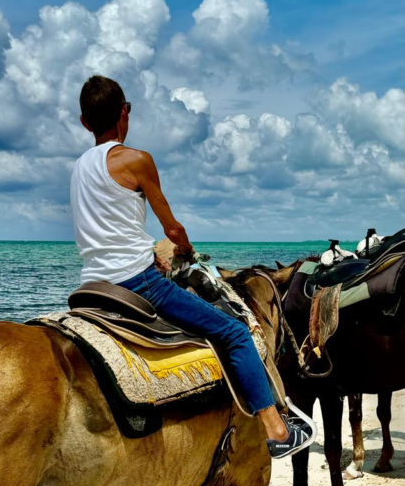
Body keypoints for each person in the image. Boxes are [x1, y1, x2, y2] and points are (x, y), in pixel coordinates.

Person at [70, 75, 315, 460]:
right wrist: (183, 248)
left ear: (84, 122)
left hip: (93, 283)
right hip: (138, 281)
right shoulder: (136, 159)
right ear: (124, 114)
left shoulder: (79, 167)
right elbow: (171, 227)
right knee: (234, 332)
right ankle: (277, 430)